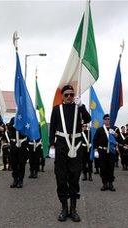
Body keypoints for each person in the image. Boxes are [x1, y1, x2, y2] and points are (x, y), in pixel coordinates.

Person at [50, 85, 91, 222]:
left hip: (76, 145)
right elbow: (52, 128)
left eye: (71, 95)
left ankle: (73, 209)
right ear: (62, 96)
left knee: (74, 177)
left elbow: (88, 119)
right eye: (66, 95)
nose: (69, 97)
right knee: (61, 177)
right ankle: (64, 208)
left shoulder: (78, 108)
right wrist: (51, 145)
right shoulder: (57, 109)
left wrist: (82, 106)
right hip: (61, 145)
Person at [93, 114, 118, 192]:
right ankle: (104, 183)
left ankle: (111, 183)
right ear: (103, 120)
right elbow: (95, 140)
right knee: (103, 168)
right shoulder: (99, 129)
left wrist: (114, 134)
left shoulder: (113, 129)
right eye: (106, 119)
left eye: (108, 119)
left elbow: (118, 139)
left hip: (111, 151)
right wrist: (96, 150)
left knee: (111, 167)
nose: (107, 120)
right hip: (102, 151)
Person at [7, 117, 29, 188]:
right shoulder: (13, 119)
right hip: (13, 144)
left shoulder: (25, 119)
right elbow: (9, 128)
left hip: (22, 143)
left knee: (21, 163)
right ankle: (15, 180)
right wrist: (14, 125)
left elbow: (28, 130)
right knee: (14, 163)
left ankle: (21, 180)